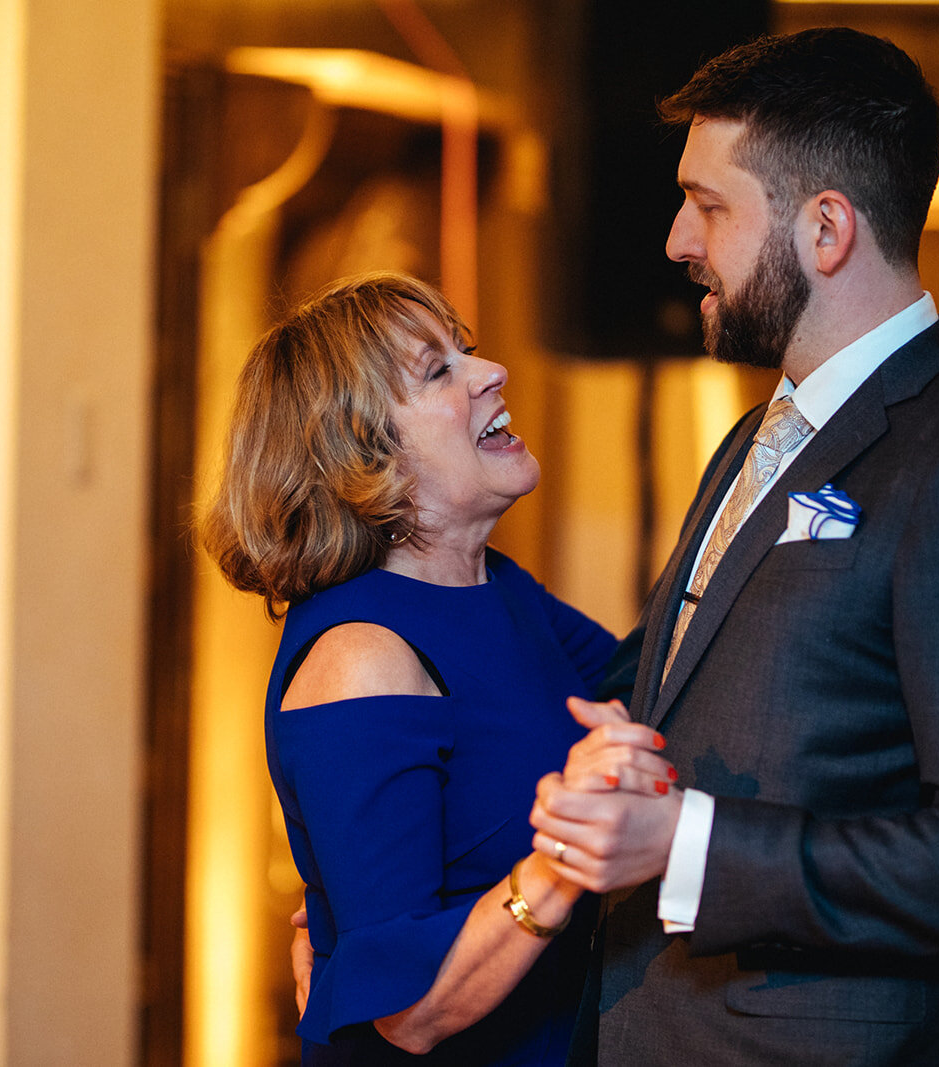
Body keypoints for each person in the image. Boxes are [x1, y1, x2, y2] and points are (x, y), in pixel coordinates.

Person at [529, 28, 939, 1066]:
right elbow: (645, 689)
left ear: (825, 228)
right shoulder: (756, 438)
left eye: (707, 205)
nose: (673, 240)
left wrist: (689, 845)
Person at [200, 272, 673, 1065]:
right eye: (437, 370)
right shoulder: (361, 658)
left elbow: (658, 700)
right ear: (363, 455)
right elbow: (409, 1012)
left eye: (468, 350)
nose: (491, 373)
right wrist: (566, 855)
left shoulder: (501, 589)